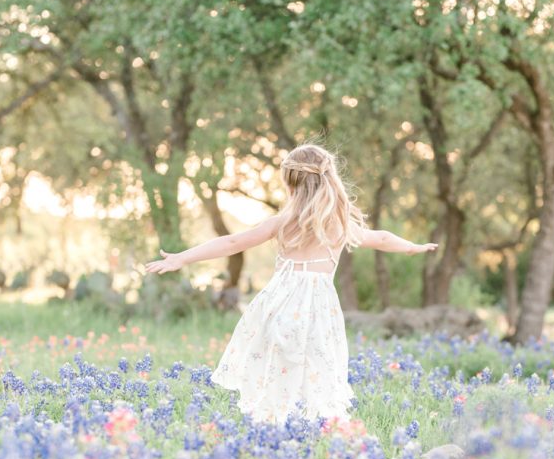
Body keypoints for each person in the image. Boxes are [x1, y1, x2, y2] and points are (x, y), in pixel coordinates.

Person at [144, 143, 437, 423]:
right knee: (316, 371)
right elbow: (383, 238)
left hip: (278, 308)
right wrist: (412, 246)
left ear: (289, 183)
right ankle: (311, 426)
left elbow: (233, 242)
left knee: (278, 371)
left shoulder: (282, 222)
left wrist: (182, 258)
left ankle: (275, 423)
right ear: (329, 180)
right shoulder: (338, 223)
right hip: (318, 313)